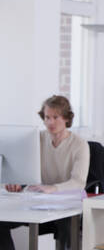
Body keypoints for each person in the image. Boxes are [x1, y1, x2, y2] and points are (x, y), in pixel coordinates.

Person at [0, 95, 90, 250]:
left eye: (55, 117)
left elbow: (78, 182)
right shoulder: (36, 139)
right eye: (47, 117)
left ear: (67, 118)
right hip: (38, 201)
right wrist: (15, 180)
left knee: (66, 226)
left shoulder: (79, 144)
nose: (50, 122)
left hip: (66, 203)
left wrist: (53, 188)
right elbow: (23, 167)